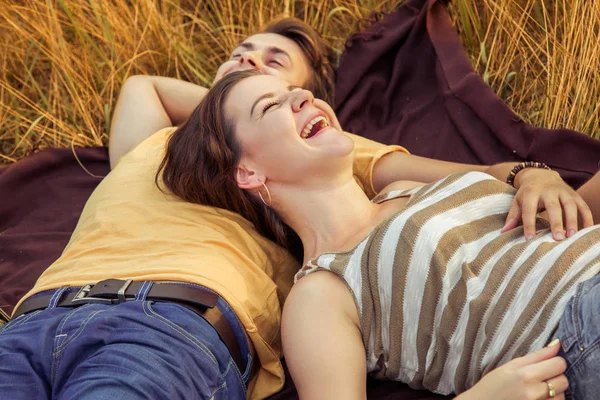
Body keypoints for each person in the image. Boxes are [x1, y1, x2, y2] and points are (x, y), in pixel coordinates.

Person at [0, 18, 429, 400]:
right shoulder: (162, 143)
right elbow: (141, 85)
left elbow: (475, 172)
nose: (250, 60)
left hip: (170, 322)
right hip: (37, 315)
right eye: (240, 55)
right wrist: (232, 110)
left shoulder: (312, 141)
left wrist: (261, 111)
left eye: (275, 63)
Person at [158, 69, 600, 400]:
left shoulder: (401, 188)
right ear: (248, 172)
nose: (302, 94)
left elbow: (498, 177)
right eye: (271, 106)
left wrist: (537, 178)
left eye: (292, 89)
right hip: (575, 326)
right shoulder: (320, 293)